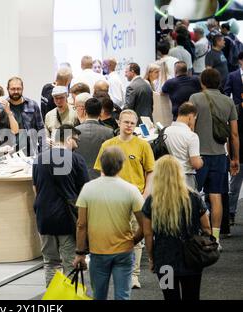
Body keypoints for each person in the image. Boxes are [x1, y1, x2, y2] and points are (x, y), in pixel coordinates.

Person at [94, 109, 155, 289]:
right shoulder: (108, 145)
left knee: (137, 237)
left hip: (136, 198)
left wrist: (145, 194)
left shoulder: (143, 145)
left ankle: (134, 276)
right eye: (126, 122)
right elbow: (102, 171)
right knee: (114, 238)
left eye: (132, 123)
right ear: (118, 123)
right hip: (113, 199)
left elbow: (150, 171)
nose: (129, 126)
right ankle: (118, 274)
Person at [73, 146, 144, 300]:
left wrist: (80, 253)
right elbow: (145, 224)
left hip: (98, 251)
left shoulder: (88, 188)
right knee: (122, 296)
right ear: (122, 165)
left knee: (99, 296)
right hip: (124, 250)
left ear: (101, 164)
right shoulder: (131, 190)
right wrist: (133, 240)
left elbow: (81, 224)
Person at [142, 155, 212, 300]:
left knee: (170, 297)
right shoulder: (194, 197)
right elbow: (206, 228)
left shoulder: (152, 201)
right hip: (192, 260)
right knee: (192, 296)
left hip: (165, 262)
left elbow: (148, 234)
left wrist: (151, 258)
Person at [32, 124, 89, 286]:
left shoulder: (39, 159)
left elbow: (35, 188)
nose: (77, 145)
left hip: (44, 217)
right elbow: (85, 191)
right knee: (71, 262)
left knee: (50, 263)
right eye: (76, 141)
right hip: (67, 218)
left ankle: (53, 299)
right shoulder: (77, 159)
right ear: (69, 139)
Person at [189, 68, 239, 248]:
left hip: (198, 155)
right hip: (220, 155)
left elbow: (190, 127)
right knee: (216, 196)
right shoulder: (228, 102)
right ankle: (215, 238)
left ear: (202, 82)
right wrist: (235, 158)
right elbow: (234, 134)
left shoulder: (195, 98)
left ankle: (194, 235)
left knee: (193, 196)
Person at [164, 102, 203, 189]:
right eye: (194, 118)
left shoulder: (165, 131)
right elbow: (196, 164)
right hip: (185, 177)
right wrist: (201, 161)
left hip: (168, 176)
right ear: (190, 117)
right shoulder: (191, 136)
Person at [224, 52, 243, 226]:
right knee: (235, 184)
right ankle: (230, 213)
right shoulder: (233, 76)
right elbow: (233, 135)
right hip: (237, 119)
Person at [75, 98, 114, 180]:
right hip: (101, 178)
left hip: (79, 177)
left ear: (85, 111)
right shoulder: (109, 132)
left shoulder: (74, 131)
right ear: (101, 112)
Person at [6, 77, 44, 156]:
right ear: (8, 89)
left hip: (30, 152)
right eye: (13, 89)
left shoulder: (33, 105)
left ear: (22, 89)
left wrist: (42, 152)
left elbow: (41, 129)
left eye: (18, 89)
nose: (16, 91)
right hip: (9, 154)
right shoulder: (1, 108)